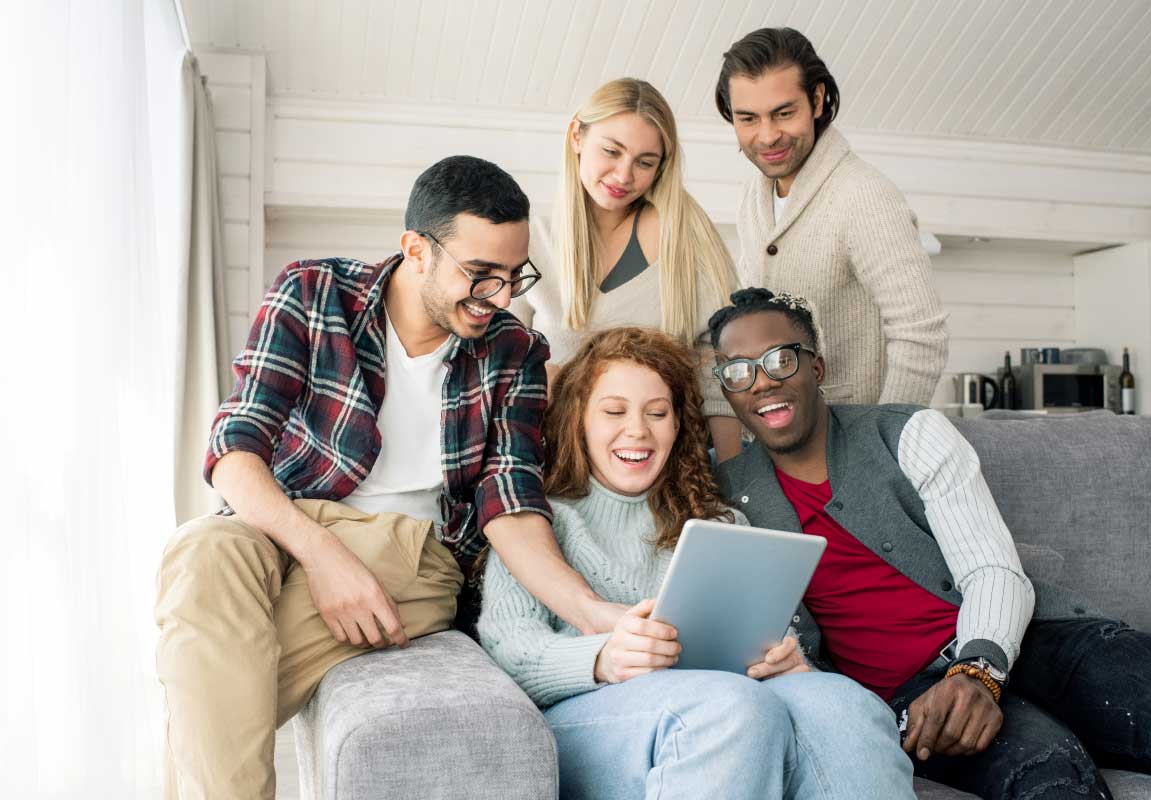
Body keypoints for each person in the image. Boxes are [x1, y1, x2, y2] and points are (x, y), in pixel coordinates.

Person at [154, 156, 630, 799]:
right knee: (200, 549)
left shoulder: (514, 351)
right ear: (416, 249)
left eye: (514, 277)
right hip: (289, 526)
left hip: (414, 550)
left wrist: (595, 613)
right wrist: (323, 557)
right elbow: (235, 451)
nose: (499, 297)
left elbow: (511, 503)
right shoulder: (313, 293)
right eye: (480, 274)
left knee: (205, 689)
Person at [709, 287, 1151, 799]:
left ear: (817, 368)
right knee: (1050, 780)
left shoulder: (908, 434)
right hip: (916, 698)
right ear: (727, 388)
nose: (762, 381)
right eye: (738, 370)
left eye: (780, 359)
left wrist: (978, 670)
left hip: (1033, 640)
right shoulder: (728, 499)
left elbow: (992, 570)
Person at [478, 326, 915, 800]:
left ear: (678, 425)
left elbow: (762, 634)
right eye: (614, 411)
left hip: (724, 697)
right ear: (577, 420)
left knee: (847, 703)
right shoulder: (535, 524)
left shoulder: (722, 521)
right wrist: (601, 658)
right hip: (591, 714)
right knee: (731, 706)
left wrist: (788, 658)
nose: (638, 430)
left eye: (657, 413)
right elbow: (511, 650)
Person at [510, 77, 743, 461]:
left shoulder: (686, 236)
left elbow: (719, 372)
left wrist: (735, 478)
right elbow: (501, 372)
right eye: (611, 151)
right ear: (576, 136)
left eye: (644, 162)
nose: (623, 175)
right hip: (550, 463)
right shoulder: (530, 238)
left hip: (659, 468)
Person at [715, 27, 948, 409]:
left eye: (784, 113)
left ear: (818, 100)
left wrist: (883, 441)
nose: (767, 135)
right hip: (779, 444)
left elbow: (922, 335)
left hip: (853, 441)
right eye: (748, 119)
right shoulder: (750, 198)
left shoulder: (863, 195)